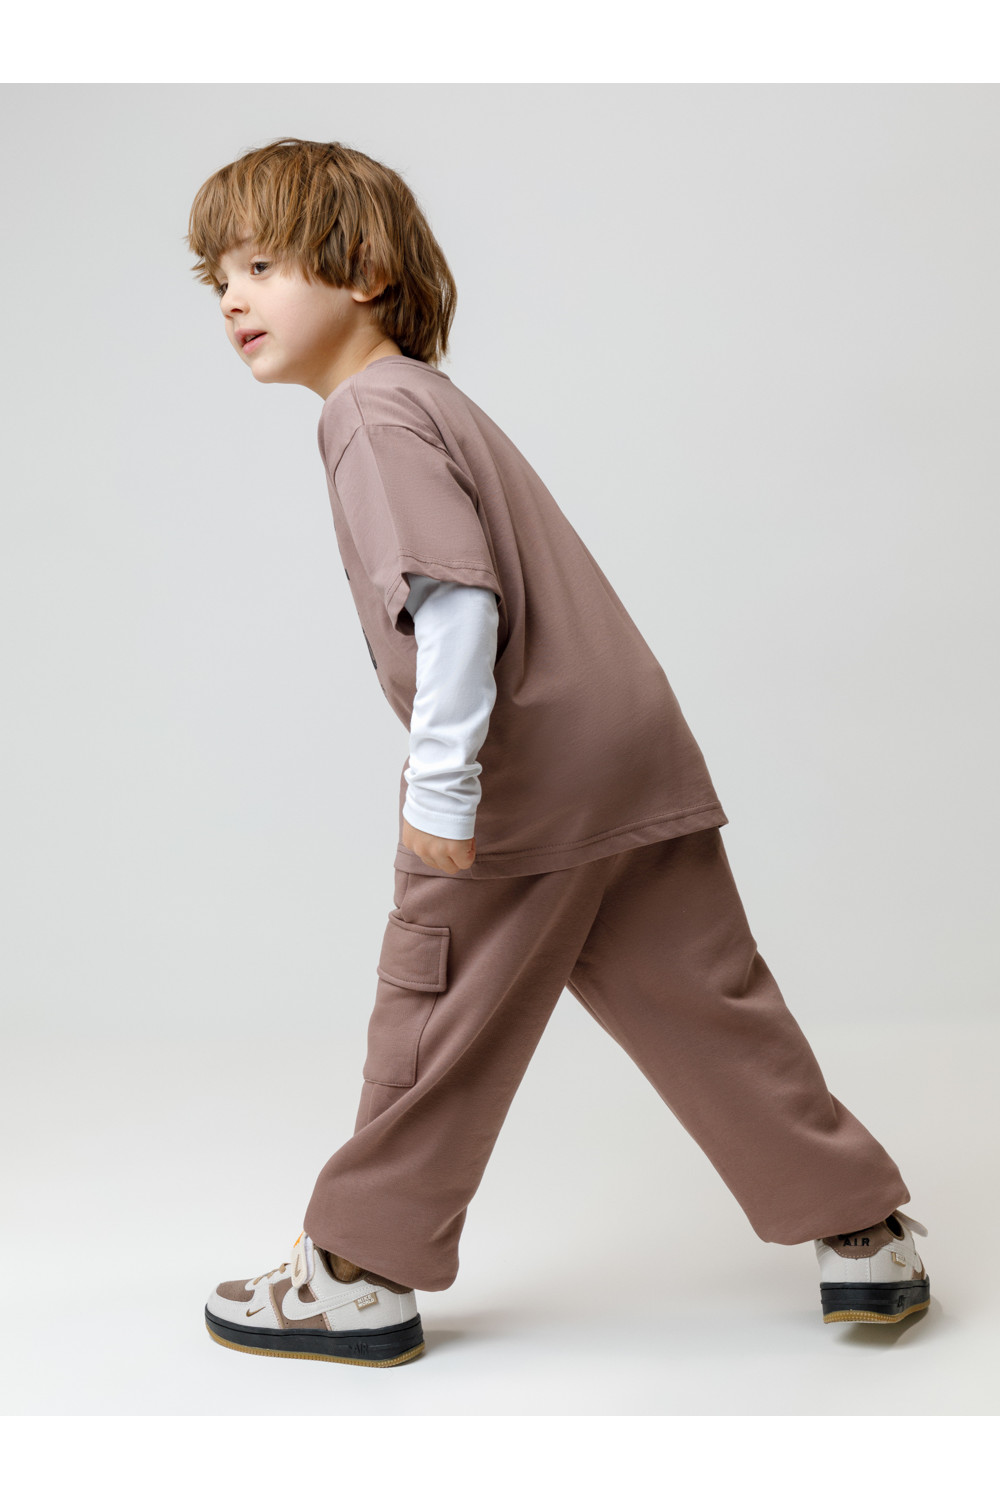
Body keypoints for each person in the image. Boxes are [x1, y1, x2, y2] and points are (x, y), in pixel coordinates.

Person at [187, 137, 930, 1369]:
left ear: (363, 270)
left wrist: (443, 787)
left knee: (433, 1010)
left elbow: (456, 603)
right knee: (709, 1001)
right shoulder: (430, 400)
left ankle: (359, 1274)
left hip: (523, 779)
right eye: (216, 275)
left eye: (261, 265)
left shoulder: (371, 413)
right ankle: (863, 1234)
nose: (231, 297)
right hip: (628, 756)